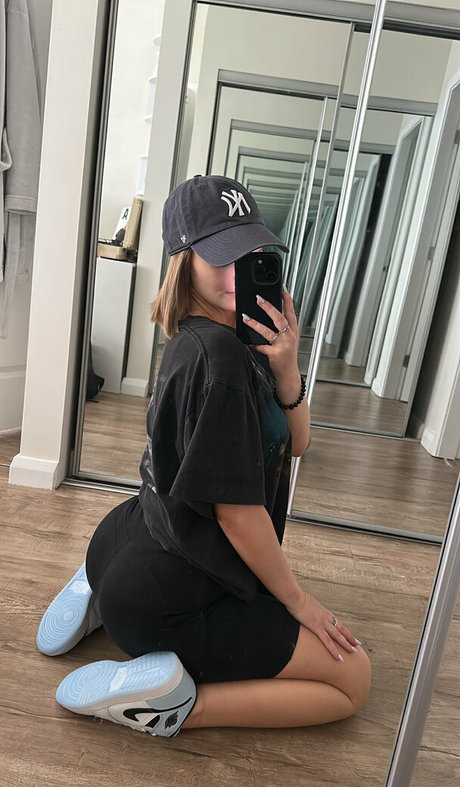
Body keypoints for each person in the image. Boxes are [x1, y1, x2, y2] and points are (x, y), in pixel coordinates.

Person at [36, 174, 371, 738]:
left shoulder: (211, 338)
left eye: (250, 252)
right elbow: (237, 514)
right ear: (183, 261)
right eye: (220, 255)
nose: (239, 270)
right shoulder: (222, 361)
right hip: (166, 601)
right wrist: (299, 601)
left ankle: (98, 588)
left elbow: (297, 445)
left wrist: (287, 366)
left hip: (126, 540)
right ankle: (174, 706)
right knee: (352, 681)